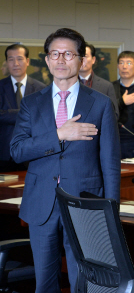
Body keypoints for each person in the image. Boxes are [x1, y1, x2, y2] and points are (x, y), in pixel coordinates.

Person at [9, 28, 121, 293]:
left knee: (83, 281)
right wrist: (59, 135)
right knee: (44, 281)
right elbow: (17, 150)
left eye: (68, 54)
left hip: (85, 202)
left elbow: (110, 162)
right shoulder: (31, 103)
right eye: (54, 54)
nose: (60, 60)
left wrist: (111, 210)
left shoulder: (101, 103)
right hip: (41, 202)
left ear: (81, 60)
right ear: (47, 60)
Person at [0, 44, 46, 172]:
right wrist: (27, 114)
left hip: (32, 153)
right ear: (7, 62)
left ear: (27, 61)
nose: (15, 63)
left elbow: (41, 118)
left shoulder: (41, 89)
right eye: (11, 59)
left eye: (19, 59)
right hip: (3, 154)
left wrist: (7, 114)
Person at [79, 43, 118, 118]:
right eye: (80, 56)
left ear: (93, 60)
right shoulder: (67, 84)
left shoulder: (106, 86)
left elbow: (114, 115)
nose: (83, 59)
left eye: (86, 56)